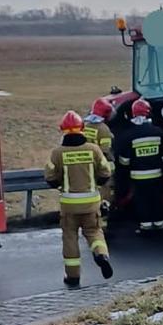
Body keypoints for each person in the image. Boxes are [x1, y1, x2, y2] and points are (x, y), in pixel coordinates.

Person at [45, 110, 113, 286]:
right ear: (81, 128)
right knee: (94, 232)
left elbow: (50, 178)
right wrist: (95, 182)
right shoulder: (93, 150)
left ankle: (73, 276)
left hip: (69, 206)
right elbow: (106, 172)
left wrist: (60, 182)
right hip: (91, 203)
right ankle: (101, 255)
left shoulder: (57, 153)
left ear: (63, 130)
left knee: (70, 237)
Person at [115, 98, 163, 233]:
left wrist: (123, 176)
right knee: (156, 199)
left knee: (142, 201)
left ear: (133, 114)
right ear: (148, 113)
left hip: (138, 176)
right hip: (157, 174)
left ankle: (146, 227)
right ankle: (160, 225)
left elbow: (124, 161)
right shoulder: (159, 132)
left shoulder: (128, 135)